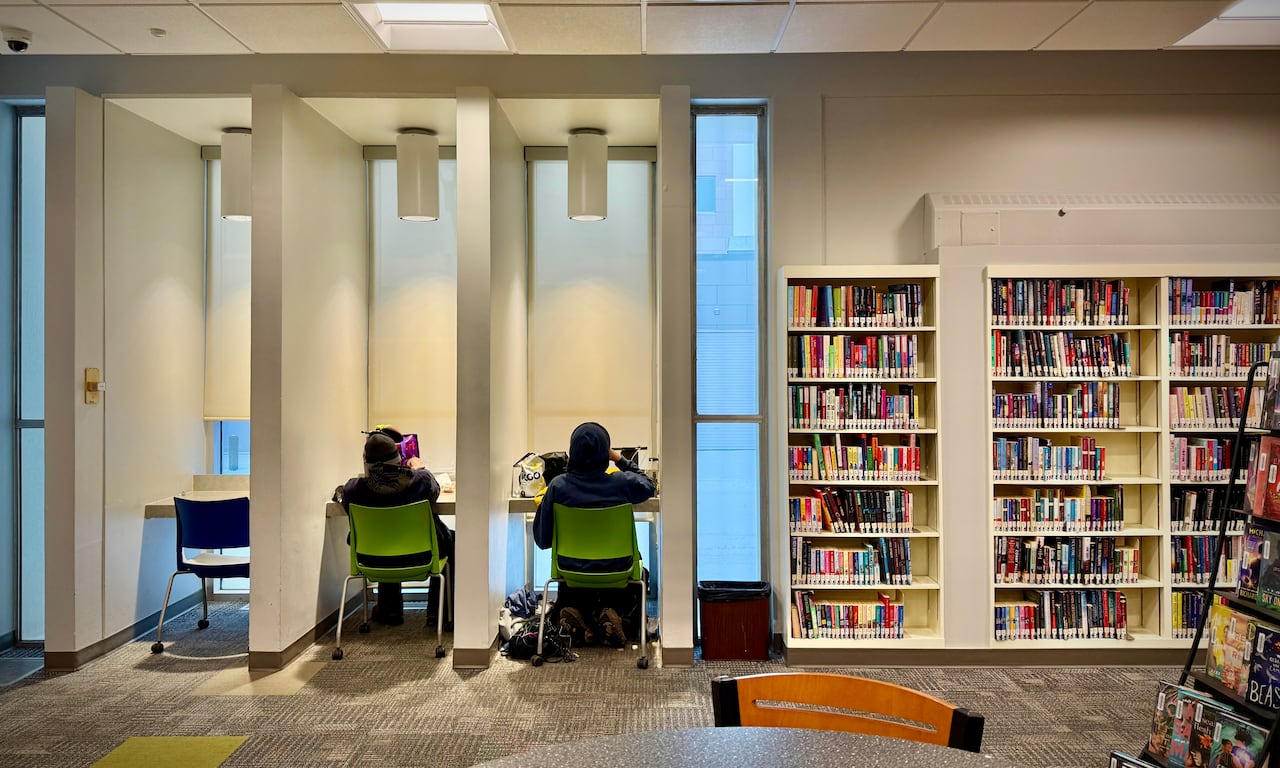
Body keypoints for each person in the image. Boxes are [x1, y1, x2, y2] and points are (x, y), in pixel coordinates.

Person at [533, 422, 655, 647]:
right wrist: (619, 459)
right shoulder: (621, 484)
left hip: (572, 570)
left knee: (578, 575)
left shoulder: (558, 487)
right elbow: (649, 485)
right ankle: (615, 617)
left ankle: (576, 613)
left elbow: (542, 540)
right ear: (604, 453)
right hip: (617, 569)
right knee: (640, 575)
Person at [337, 428, 455, 627]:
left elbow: (343, 495)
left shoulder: (353, 490)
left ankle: (389, 611)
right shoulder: (420, 482)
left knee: (385, 541)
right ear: (398, 458)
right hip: (421, 556)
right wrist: (420, 468)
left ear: (366, 461)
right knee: (452, 540)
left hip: (371, 559)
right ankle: (439, 615)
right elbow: (434, 490)